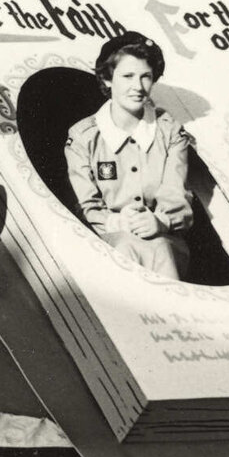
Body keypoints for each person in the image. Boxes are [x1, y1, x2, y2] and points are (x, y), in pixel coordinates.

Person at [65, 32, 196, 282]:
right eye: (127, 76)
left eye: (145, 76)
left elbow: (176, 193)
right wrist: (116, 222)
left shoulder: (169, 131)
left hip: (164, 240)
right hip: (109, 242)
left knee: (161, 248)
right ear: (107, 79)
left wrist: (160, 221)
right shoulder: (84, 137)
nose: (138, 86)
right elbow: (85, 204)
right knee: (125, 248)